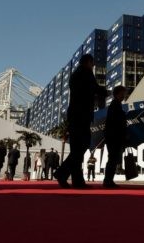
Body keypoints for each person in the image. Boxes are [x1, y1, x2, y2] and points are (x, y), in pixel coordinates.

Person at [54, 54, 107, 188]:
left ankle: (77, 181)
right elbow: (94, 89)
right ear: (88, 62)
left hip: (75, 115)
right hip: (81, 115)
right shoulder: (86, 73)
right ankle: (62, 173)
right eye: (92, 63)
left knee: (77, 148)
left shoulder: (75, 74)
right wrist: (106, 92)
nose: (93, 65)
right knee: (82, 146)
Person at [103, 86, 127, 188]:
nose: (124, 96)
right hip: (114, 137)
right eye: (123, 93)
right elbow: (116, 122)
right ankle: (108, 181)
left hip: (112, 136)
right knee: (112, 158)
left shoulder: (115, 105)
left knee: (112, 159)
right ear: (118, 94)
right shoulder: (115, 105)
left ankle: (108, 180)